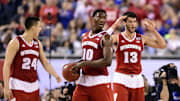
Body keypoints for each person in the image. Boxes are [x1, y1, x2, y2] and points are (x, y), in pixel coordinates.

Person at [111, 11, 167, 101]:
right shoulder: (117, 37)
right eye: (130, 22)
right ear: (124, 23)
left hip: (137, 78)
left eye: (134, 21)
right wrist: (114, 25)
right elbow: (100, 41)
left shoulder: (141, 38)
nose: (133, 24)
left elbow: (163, 45)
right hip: (121, 77)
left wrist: (153, 30)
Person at [3, 16, 61, 101]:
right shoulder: (15, 42)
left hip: (34, 86)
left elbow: (45, 63)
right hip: (18, 84)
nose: (40, 29)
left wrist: (56, 75)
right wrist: (6, 87)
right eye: (39, 26)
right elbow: (7, 65)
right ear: (33, 28)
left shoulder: (38, 43)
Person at [71, 9, 113, 101]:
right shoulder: (84, 36)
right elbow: (87, 58)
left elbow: (108, 61)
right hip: (84, 81)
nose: (102, 20)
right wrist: (77, 65)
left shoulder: (106, 37)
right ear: (92, 18)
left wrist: (84, 64)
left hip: (100, 81)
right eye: (99, 17)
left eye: (104, 18)